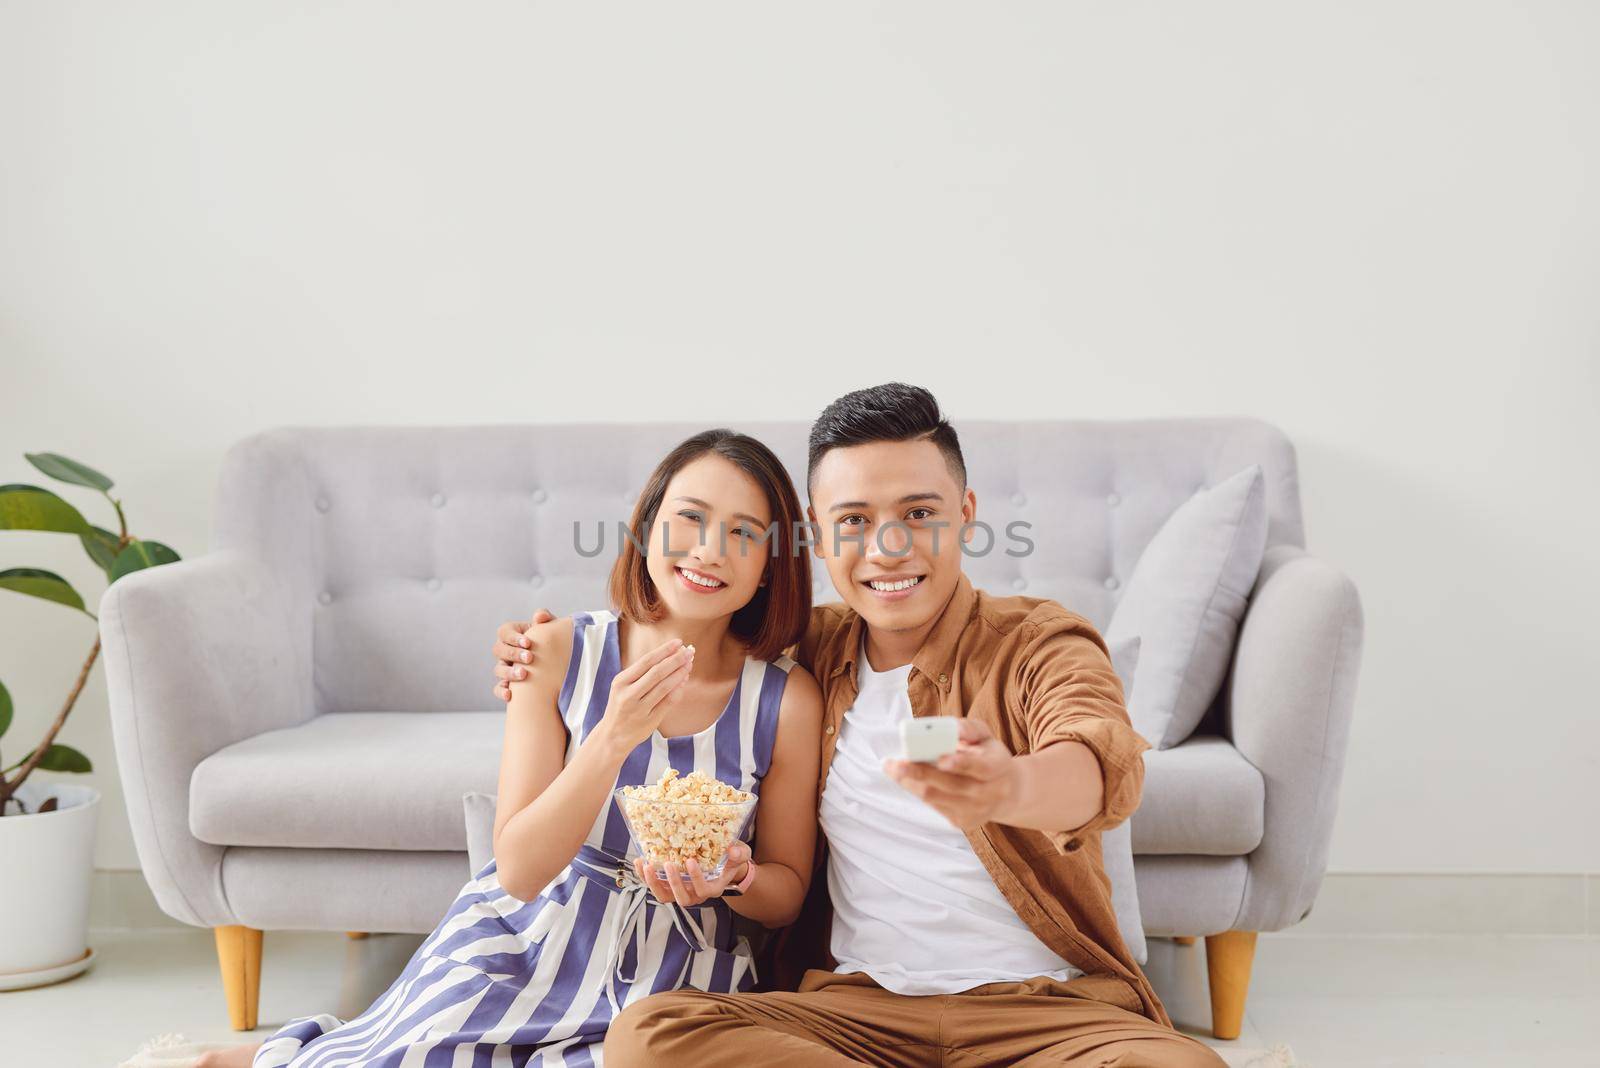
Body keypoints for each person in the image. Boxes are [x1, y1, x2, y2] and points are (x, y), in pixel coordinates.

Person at [493, 384, 1227, 1066]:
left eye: (918, 514)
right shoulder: (807, 656)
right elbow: (689, 616)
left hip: (1044, 1016)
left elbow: (1097, 764)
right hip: (855, 1017)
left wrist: (1007, 785)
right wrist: (543, 652)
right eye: (854, 522)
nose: (887, 549)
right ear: (817, 534)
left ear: (965, 513)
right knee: (651, 1036)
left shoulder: (1039, 641)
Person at [199, 428, 823, 1067]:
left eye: (745, 533)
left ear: (773, 565)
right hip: (529, 939)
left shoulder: (786, 700)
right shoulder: (554, 652)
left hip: (677, 968)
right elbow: (520, 869)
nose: (710, 550)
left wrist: (735, 875)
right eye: (688, 519)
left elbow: (788, 893)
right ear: (645, 528)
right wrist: (613, 736)